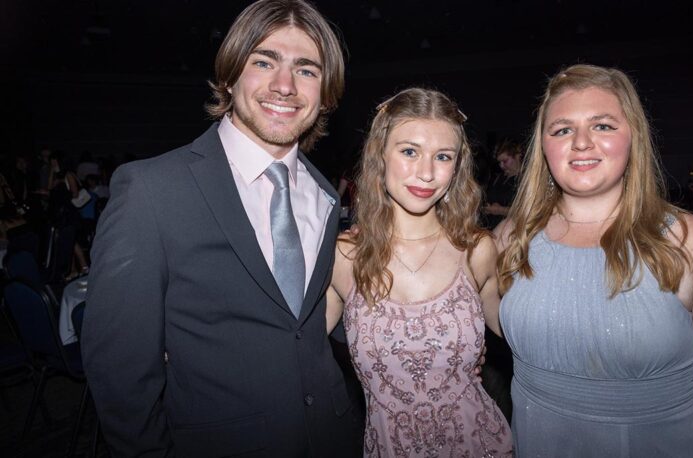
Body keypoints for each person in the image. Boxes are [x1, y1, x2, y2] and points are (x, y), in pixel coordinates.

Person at [81, 1, 362, 456]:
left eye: (307, 70)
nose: (285, 85)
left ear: (326, 94)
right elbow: (119, 370)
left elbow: (306, 327)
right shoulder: (153, 190)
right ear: (230, 76)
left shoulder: (325, 195)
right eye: (264, 61)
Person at [495, 64, 693, 457]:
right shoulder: (511, 238)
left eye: (603, 126)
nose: (581, 142)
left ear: (634, 137)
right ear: (543, 146)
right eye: (562, 129)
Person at [326, 88, 513, 457]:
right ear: (381, 155)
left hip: (480, 445)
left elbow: (528, 338)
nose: (426, 173)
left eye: (442, 156)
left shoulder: (476, 249)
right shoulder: (345, 256)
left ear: (457, 167)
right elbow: (291, 352)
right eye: (409, 151)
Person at [482, 140, 523, 229]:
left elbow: (529, 212)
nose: (501, 166)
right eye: (499, 162)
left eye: (505, 161)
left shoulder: (526, 180)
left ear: (517, 156)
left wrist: (501, 210)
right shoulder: (498, 178)